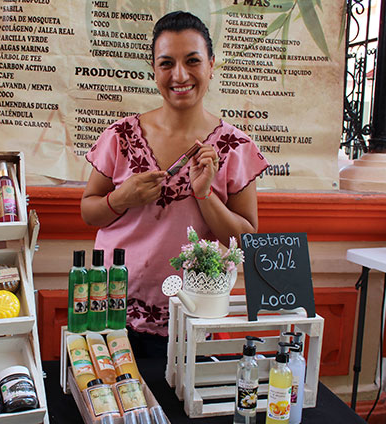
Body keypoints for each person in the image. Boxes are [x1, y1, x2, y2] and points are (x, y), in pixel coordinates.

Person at [81, 11, 268, 355]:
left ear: (212, 65)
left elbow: (245, 240)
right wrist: (121, 198)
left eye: (192, 61)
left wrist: (205, 195)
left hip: (191, 314)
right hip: (111, 308)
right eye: (166, 63)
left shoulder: (235, 147)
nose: (179, 75)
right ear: (153, 69)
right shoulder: (121, 135)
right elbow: (89, 212)